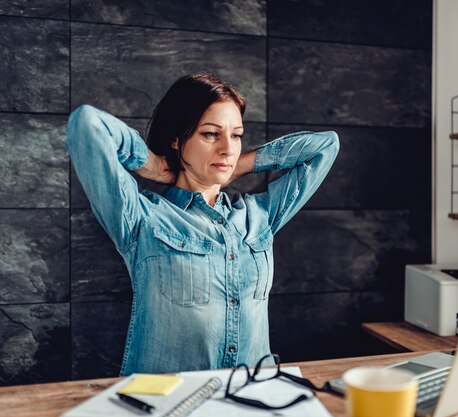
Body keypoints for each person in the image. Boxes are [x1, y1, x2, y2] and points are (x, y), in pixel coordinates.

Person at [66, 73, 339, 375]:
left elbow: (325, 146)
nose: (227, 148)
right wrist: (155, 166)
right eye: (211, 134)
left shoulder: (258, 216)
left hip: (252, 399)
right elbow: (87, 124)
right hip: (170, 402)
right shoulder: (143, 219)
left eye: (235, 135)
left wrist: (239, 166)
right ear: (176, 138)